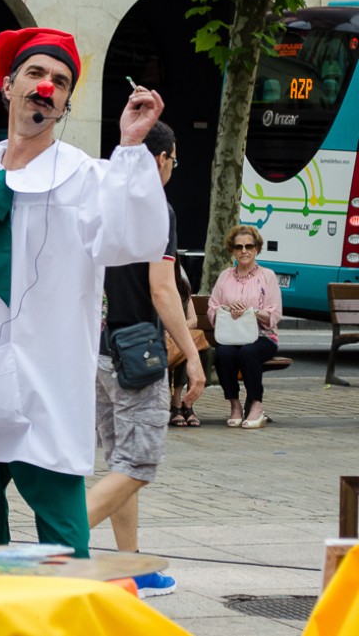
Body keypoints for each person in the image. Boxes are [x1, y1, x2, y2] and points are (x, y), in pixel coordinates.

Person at [0, 27, 171, 558]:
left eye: (60, 82)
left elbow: (136, 238)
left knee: (63, 541)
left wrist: (131, 147)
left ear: (64, 104)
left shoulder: (86, 177)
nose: (46, 87)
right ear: (8, 85)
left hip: (47, 384)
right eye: (36, 74)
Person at [86, 120, 205, 597]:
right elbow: (162, 289)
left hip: (98, 353)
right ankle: (59, 544)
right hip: (138, 358)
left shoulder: (101, 201)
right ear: (160, 158)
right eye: (174, 159)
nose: (174, 167)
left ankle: (130, 565)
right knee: (137, 466)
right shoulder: (157, 207)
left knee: (120, 466)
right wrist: (192, 354)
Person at [208, 225, 282, 429]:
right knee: (223, 353)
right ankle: (234, 404)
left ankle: (257, 405)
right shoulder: (225, 277)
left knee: (248, 352)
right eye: (238, 247)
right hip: (231, 336)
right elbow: (212, 308)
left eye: (249, 246)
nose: (244, 251)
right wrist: (227, 309)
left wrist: (251, 312)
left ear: (256, 249)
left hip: (263, 336)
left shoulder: (267, 276)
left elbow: (275, 313)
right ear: (232, 250)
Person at [168, 257, 202, 427]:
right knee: (183, 350)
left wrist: (177, 329)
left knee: (190, 350)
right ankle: (176, 405)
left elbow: (193, 320)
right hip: (162, 339)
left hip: (179, 338)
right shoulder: (157, 287)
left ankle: (184, 404)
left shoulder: (183, 287)